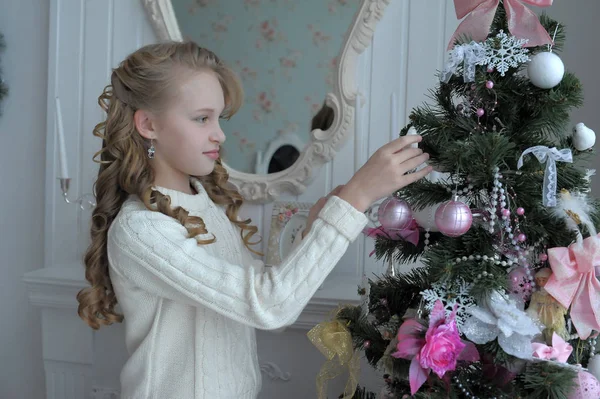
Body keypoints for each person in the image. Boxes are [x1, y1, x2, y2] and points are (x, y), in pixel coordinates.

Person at [76, 41, 431, 399]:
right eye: (202, 118)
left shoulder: (205, 205)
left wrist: (311, 231)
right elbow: (269, 306)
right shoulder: (142, 229)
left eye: (219, 118)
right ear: (148, 124)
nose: (220, 134)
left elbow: (263, 297)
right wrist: (356, 198)